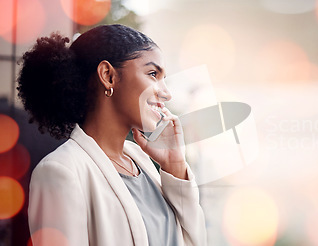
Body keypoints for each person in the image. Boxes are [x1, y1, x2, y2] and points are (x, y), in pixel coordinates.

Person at [17, 24, 207, 245]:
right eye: (153, 74)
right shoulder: (61, 171)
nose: (166, 93)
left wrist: (175, 164)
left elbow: (195, 240)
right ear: (108, 76)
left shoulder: (142, 162)